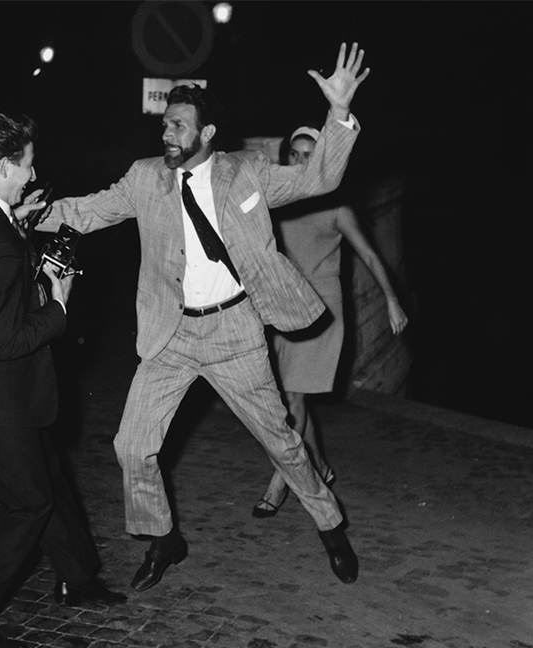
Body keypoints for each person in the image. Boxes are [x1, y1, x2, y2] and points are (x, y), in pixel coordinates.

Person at [36, 43, 369, 588]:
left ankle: (330, 524)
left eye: (180, 126)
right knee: (131, 445)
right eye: (165, 124)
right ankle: (164, 538)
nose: (167, 134)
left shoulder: (248, 174)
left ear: (207, 134)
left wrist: (338, 114)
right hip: (172, 334)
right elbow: (88, 210)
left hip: (236, 331)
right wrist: (25, 213)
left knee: (281, 441)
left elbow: (318, 181)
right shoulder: (146, 178)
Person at [0, 112, 126, 648]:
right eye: (26, 165)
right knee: (27, 503)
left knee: (52, 482)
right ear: (0, 165)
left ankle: (77, 578)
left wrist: (18, 225)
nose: (32, 174)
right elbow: (9, 340)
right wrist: (58, 304)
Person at [251, 125, 409, 518]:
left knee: (292, 399)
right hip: (284, 306)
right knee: (290, 397)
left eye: (311, 155)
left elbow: (371, 256)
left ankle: (279, 480)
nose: (303, 162)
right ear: (287, 159)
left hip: (321, 311)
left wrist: (392, 301)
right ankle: (319, 466)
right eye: (296, 155)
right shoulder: (275, 200)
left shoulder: (337, 207)